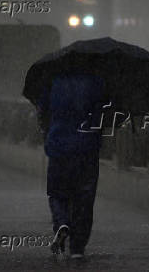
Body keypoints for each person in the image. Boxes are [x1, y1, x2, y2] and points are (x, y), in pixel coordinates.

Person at [36, 74, 106, 259]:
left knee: (57, 193)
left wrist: (48, 136)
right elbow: (102, 115)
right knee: (84, 197)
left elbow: (43, 113)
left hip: (59, 147)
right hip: (87, 149)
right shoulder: (95, 81)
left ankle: (61, 223)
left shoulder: (52, 81)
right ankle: (77, 247)